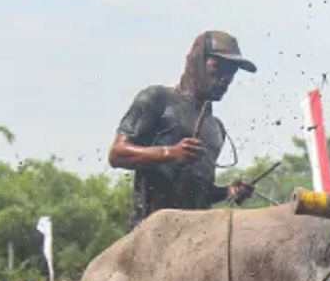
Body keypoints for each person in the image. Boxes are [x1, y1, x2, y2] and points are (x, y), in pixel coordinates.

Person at [108, 30, 259, 232]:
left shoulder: (215, 128)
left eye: (231, 73)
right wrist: (169, 153)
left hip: (193, 238)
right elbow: (117, 154)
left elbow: (200, 192)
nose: (225, 79)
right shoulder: (157, 99)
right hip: (148, 234)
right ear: (196, 62)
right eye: (218, 69)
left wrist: (228, 191)